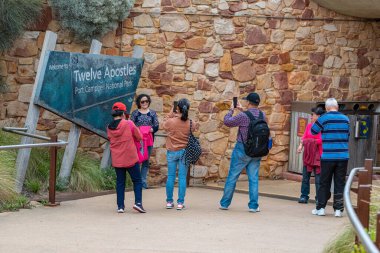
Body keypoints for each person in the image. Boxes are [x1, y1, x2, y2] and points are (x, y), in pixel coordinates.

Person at [219, 92, 267, 213]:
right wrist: (242, 110)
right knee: (254, 178)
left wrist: (231, 110)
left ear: (248, 102)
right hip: (257, 151)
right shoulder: (263, 115)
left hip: (242, 149)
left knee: (233, 176)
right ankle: (253, 206)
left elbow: (227, 122)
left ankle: (225, 203)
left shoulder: (243, 116)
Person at [311, 98, 350, 217]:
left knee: (324, 182)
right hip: (343, 156)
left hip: (328, 156)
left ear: (327, 108)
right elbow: (347, 136)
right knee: (339, 182)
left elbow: (313, 131)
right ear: (337, 107)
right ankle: (338, 210)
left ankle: (321, 208)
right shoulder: (346, 119)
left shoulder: (324, 118)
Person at [107, 102, 146, 214]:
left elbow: (110, 138)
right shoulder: (128, 123)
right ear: (124, 113)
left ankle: (120, 206)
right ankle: (138, 203)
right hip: (130, 158)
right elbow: (139, 137)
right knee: (137, 180)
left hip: (117, 159)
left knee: (120, 182)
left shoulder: (109, 127)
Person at [163, 98, 197, 210]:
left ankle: (169, 202)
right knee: (182, 178)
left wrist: (171, 112)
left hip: (172, 151)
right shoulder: (191, 123)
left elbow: (164, 124)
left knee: (171, 177)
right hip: (184, 152)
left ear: (177, 108)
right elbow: (195, 128)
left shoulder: (171, 121)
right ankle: (180, 203)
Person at [131, 94, 159, 189]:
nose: (145, 103)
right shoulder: (135, 113)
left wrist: (151, 130)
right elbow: (131, 126)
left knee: (146, 161)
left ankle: (143, 182)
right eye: (142, 101)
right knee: (137, 160)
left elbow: (156, 126)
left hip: (149, 140)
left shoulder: (152, 113)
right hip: (138, 141)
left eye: (146, 101)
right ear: (139, 102)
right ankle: (137, 182)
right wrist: (139, 130)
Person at [297, 107, 324, 204]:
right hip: (308, 154)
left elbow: (322, 140)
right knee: (305, 177)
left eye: (313, 115)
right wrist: (300, 146)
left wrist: (310, 141)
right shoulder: (309, 126)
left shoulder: (323, 127)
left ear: (319, 116)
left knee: (318, 179)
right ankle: (304, 196)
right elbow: (304, 137)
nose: (311, 116)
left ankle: (319, 198)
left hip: (318, 156)